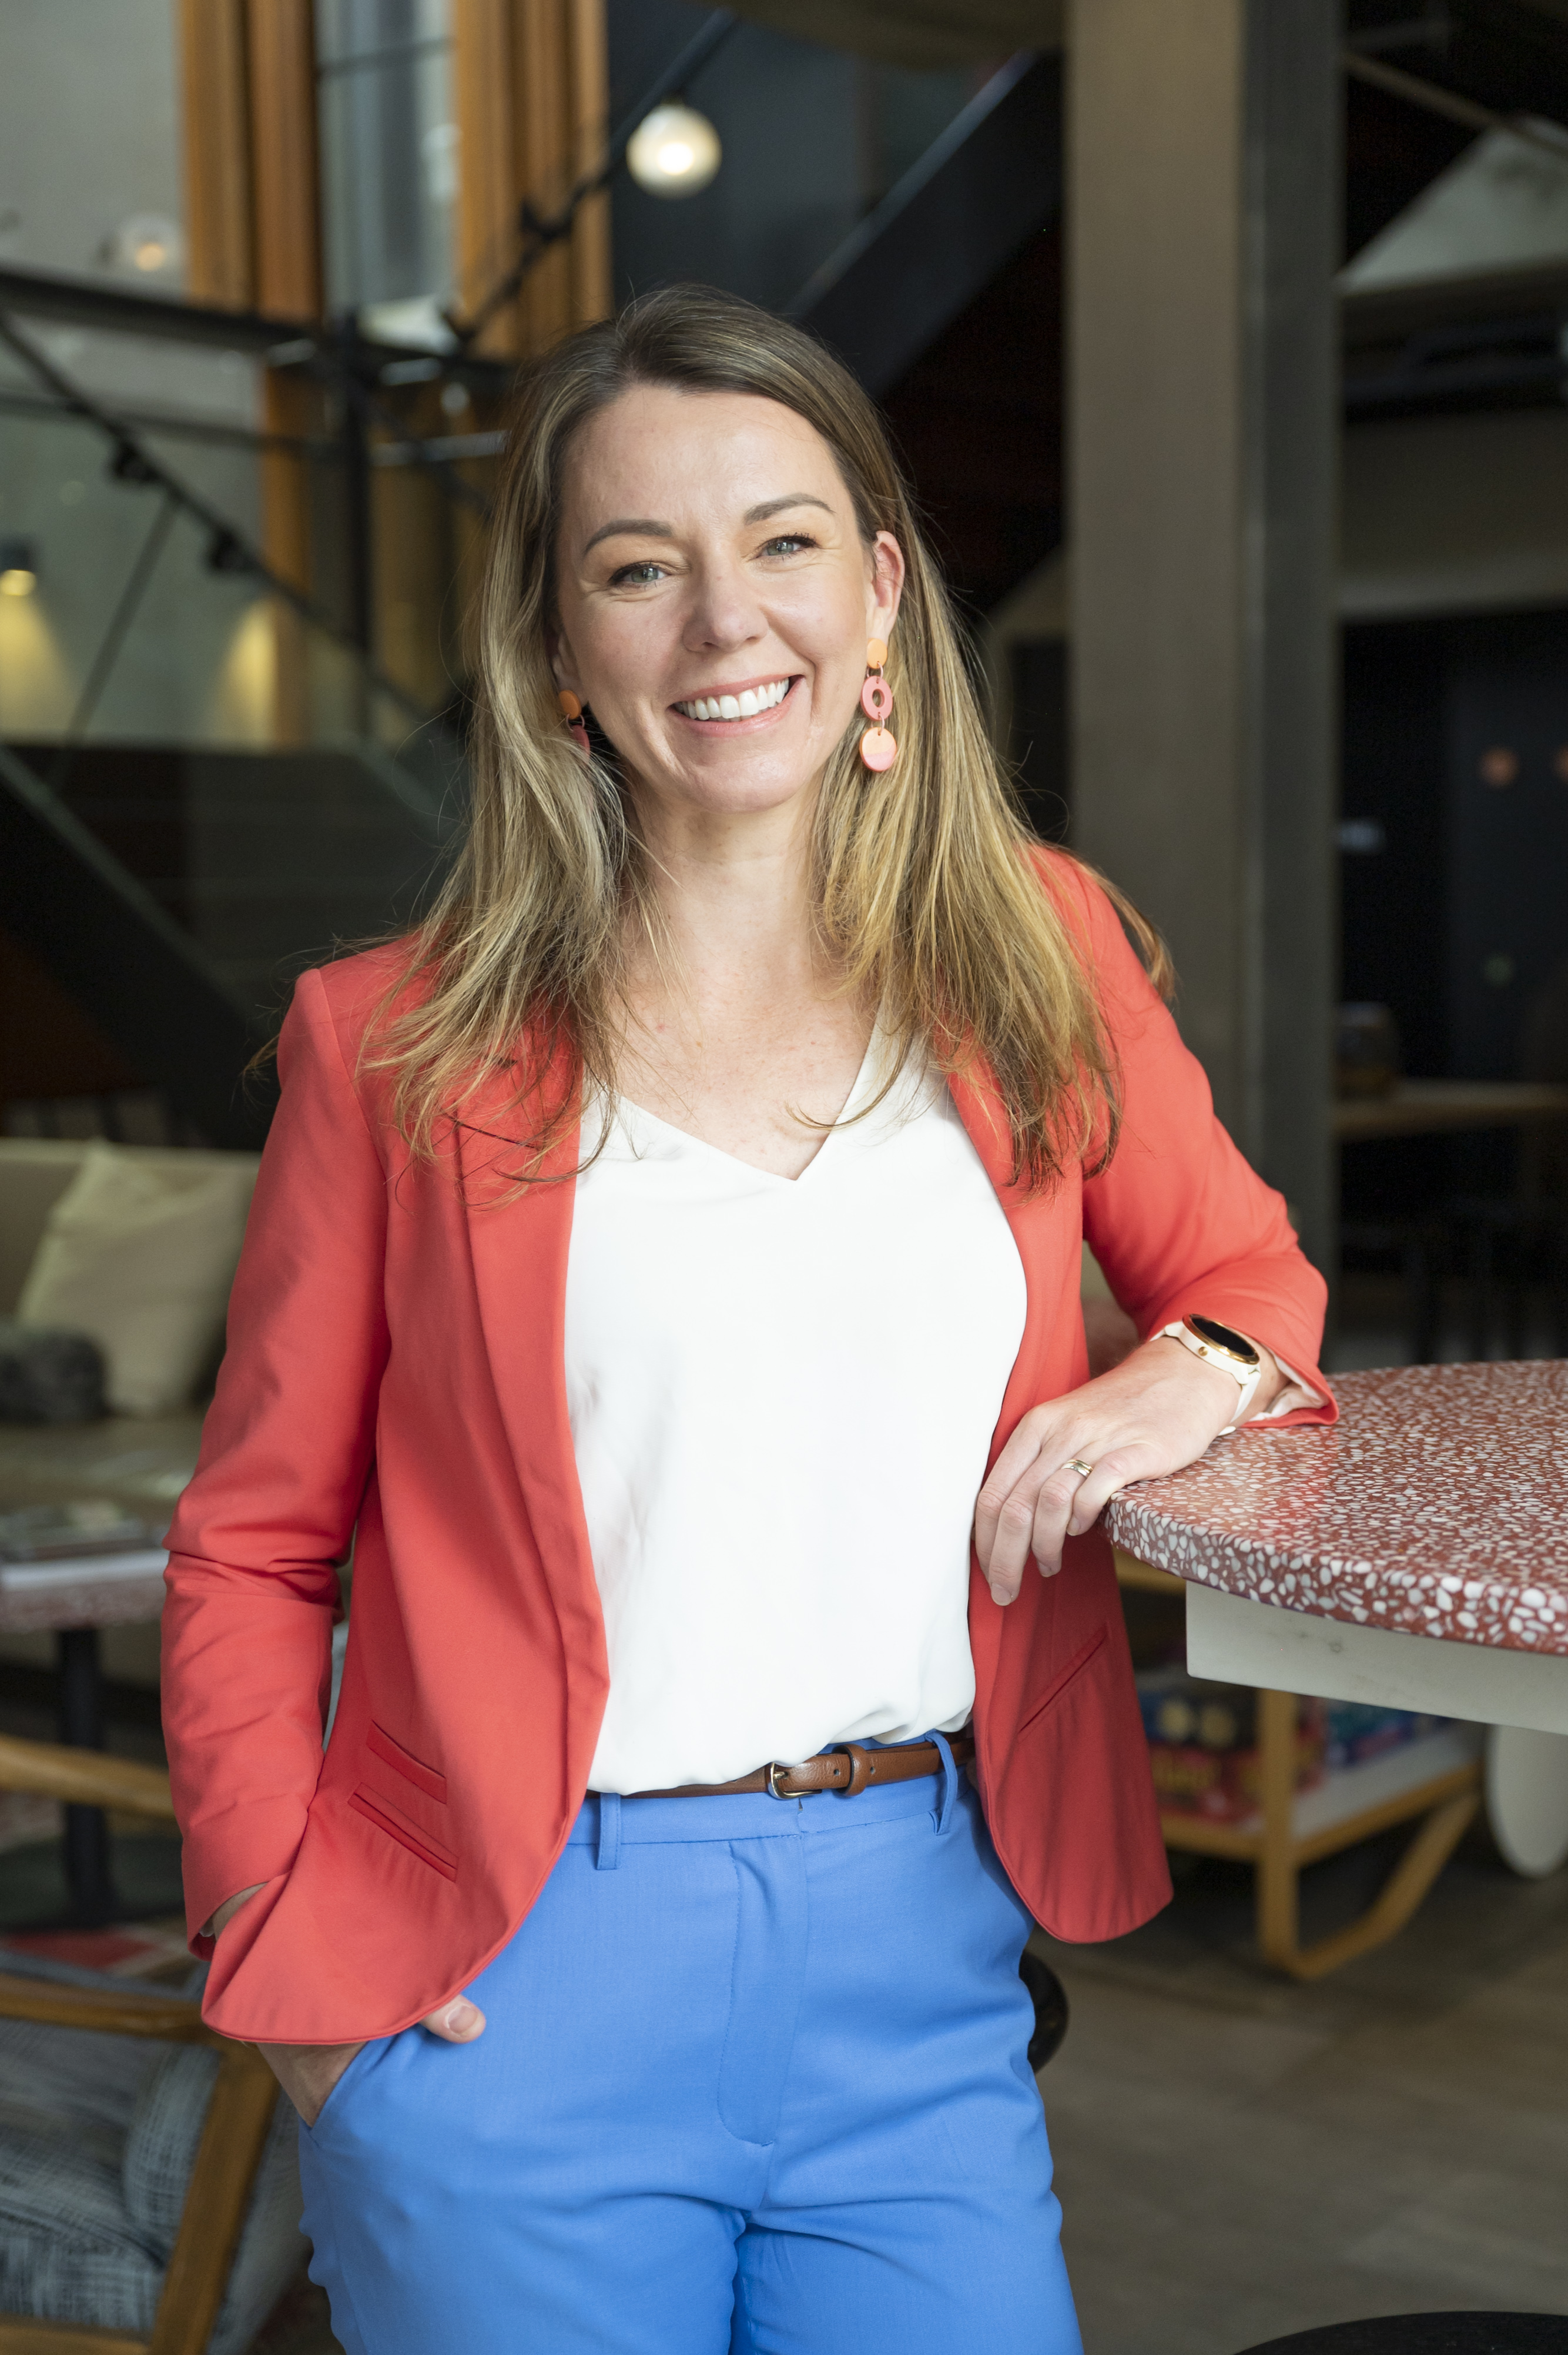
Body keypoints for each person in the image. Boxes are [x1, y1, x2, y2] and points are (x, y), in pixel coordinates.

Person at [161, 285, 1333, 2355]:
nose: (727, 624)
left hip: (919, 1939)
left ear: (879, 594)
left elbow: (1252, 1277)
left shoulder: (1036, 953)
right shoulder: (394, 1049)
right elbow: (253, 1540)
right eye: (637, 567)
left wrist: (1187, 1368)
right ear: (556, 651)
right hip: (514, 1965)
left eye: (784, 543)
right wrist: (283, 1939)